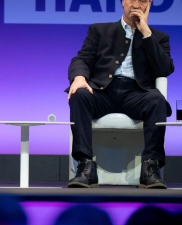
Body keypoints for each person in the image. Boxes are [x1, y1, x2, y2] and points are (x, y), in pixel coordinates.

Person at [67, 0, 174, 189]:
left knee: (157, 100)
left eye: (142, 0)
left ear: (149, 4)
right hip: (103, 91)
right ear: (123, 1)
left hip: (137, 94)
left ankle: (150, 168)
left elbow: (164, 69)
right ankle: (85, 167)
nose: (136, 4)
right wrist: (79, 77)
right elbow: (82, 58)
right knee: (80, 95)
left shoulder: (158, 37)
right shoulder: (99, 30)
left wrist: (146, 33)